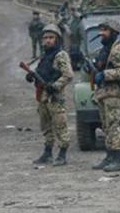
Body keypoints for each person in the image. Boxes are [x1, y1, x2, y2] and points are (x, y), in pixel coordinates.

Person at [27, 24, 73, 166]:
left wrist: (55, 86)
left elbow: (68, 75)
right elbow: (41, 73)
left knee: (60, 126)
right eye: (45, 38)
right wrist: (31, 76)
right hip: (43, 97)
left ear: (57, 39)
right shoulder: (44, 56)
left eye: (51, 38)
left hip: (55, 97)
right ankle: (47, 153)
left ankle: (62, 154)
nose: (47, 41)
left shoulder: (60, 55)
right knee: (46, 126)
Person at [91, 19, 120, 172]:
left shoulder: (118, 49)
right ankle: (109, 156)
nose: (102, 34)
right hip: (103, 93)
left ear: (113, 32)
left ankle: (119, 159)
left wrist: (104, 74)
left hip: (113, 93)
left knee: (113, 126)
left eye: (105, 31)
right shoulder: (105, 49)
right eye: (101, 30)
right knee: (106, 126)